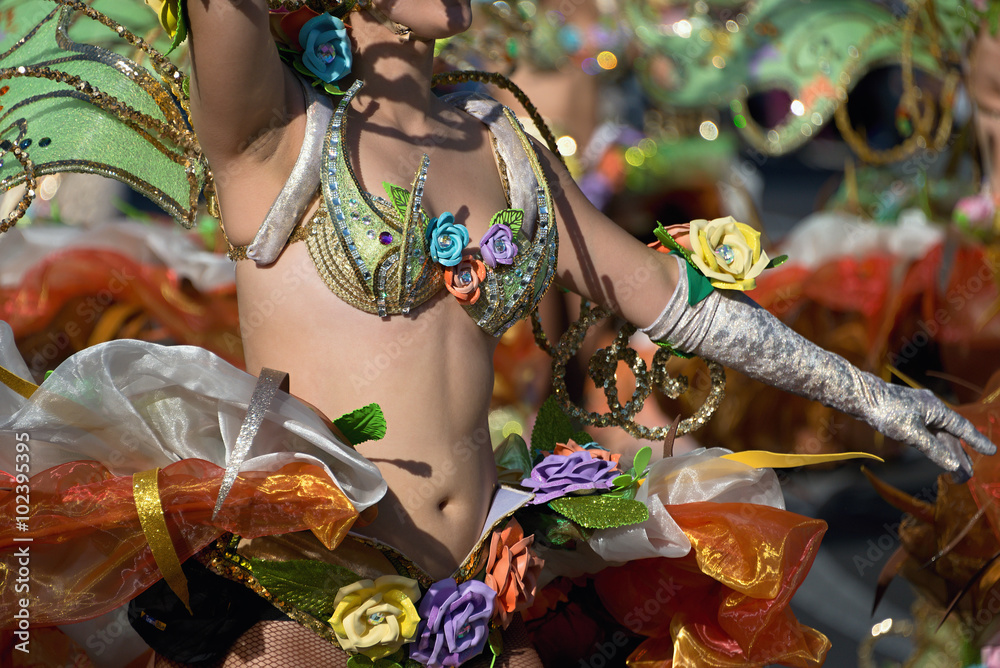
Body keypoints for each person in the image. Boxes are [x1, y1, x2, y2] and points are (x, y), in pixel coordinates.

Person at [0, 1, 995, 666]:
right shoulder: (277, 134)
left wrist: (874, 395)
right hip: (313, 594)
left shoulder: (498, 134)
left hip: (492, 577)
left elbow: (668, 298)